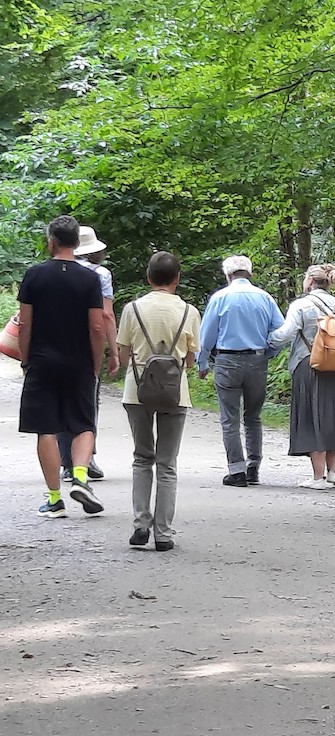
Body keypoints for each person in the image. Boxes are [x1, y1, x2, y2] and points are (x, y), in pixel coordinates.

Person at [18, 215, 106, 518]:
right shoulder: (90, 279)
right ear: (77, 243)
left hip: (42, 361)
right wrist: (96, 363)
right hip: (79, 361)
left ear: (51, 241)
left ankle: (55, 499)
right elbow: (97, 326)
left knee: (47, 429)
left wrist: (26, 358)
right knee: (84, 423)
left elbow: (25, 322)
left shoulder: (34, 275)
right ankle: (80, 476)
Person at [117, 251, 201, 552]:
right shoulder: (189, 311)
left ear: (149, 277)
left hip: (136, 391)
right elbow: (190, 360)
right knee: (167, 463)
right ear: (177, 279)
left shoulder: (132, 309)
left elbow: (124, 354)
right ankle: (163, 534)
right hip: (175, 392)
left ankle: (140, 524)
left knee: (142, 458)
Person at [268, 264, 335, 489]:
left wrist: (266, 338)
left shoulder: (301, 305)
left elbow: (286, 334)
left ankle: (317, 477)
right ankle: (332, 471)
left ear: (310, 282)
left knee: (312, 416)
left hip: (310, 366)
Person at [197, 255, 284, 487]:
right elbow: (281, 331)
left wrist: (202, 362)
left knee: (230, 418)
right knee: (253, 417)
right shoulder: (265, 298)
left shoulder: (220, 298)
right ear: (250, 273)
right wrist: (268, 352)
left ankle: (236, 470)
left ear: (228, 275)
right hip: (257, 361)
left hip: (227, 360)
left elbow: (207, 335)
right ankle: (253, 467)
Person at [57, 225, 119, 481]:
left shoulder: (57, 270)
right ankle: (86, 459)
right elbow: (105, 315)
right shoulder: (100, 274)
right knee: (87, 404)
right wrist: (113, 350)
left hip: (57, 343)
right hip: (86, 346)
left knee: (61, 405)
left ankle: (66, 463)